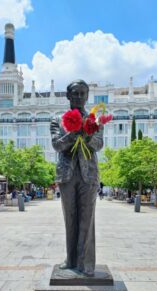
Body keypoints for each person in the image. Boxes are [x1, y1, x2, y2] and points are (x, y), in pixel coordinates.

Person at [50, 79, 103, 277]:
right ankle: (71, 260)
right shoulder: (57, 119)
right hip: (67, 175)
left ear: (87, 96)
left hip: (88, 175)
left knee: (87, 220)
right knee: (70, 218)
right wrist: (73, 134)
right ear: (68, 96)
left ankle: (86, 263)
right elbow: (56, 144)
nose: (79, 97)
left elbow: (98, 144)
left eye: (82, 93)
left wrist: (87, 134)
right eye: (75, 93)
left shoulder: (94, 119)